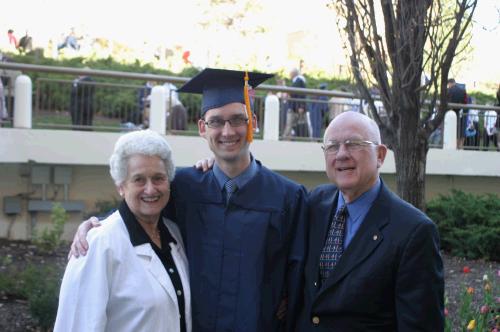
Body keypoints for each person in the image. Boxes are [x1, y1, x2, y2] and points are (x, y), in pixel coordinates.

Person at [70, 68, 308, 332]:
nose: (227, 131)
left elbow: (297, 282)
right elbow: (141, 212)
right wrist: (95, 226)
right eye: (216, 121)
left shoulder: (288, 197)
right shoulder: (184, 187)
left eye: (238, 120)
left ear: (253, 121)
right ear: (202, 128)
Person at [298, 111, 444, 331]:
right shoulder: (314, 204)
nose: (341, 154)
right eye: (332, 146)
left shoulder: (414, 232)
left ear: (381, 155)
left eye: (354, 144)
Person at [54, 130, 191, 332]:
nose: (151, 189)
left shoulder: (174, 235)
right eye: (139, 180)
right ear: (121, 186)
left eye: (158, 178)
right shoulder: (97, 245)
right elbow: (77, 325)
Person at [283, 68, 307, 138]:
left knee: (290, 123)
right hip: (295, 106)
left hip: (296, 106)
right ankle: (287, 137)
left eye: (290, 73)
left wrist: (301, 106)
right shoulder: (298, 81)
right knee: (290, 123)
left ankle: (285, 138)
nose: (289, 75)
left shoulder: (299, 81)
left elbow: (302, 95)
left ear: (293, 73)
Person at [447, 78, 467, 148]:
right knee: (459, 130)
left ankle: (451, 145)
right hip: (459, 113)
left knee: (450, 130)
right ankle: (458, 146)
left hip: (450, 113)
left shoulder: (449, 90)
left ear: (450, 83)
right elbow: (465, 102)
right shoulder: (463, 90)